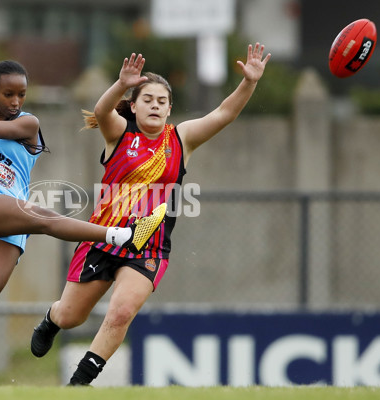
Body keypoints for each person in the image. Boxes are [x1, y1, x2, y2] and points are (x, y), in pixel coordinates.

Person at [0, 59, 166, 387]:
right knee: (41, 217)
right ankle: (121, 236)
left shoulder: (28, 124)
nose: (15, 102)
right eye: (8, 94)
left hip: (4, 215)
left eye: (21, 94)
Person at [30, 43, 271, 386]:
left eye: (162, 101)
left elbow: (224, 113)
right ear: (133, 105)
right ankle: (51, 319)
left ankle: (79, 384)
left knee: (122, 311)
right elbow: (101, 111)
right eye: (148, 100)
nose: (156, 106)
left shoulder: (181, 138)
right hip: (103, 238)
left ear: (170, 108)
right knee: (71, 316)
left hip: (149, 246)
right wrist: (121, 84)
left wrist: (249, 82)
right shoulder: (119, 132)